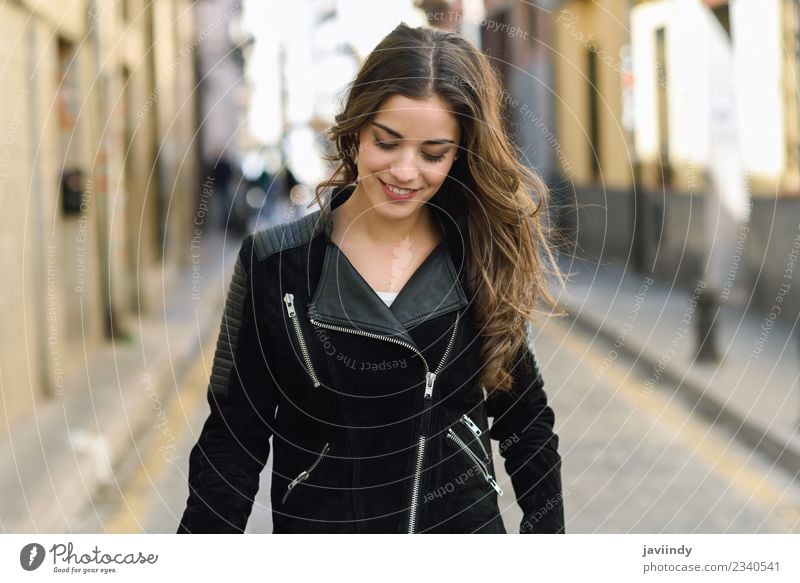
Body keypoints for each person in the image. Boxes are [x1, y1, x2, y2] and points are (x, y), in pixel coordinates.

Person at [178, 22, 565, 534]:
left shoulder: (482, 255)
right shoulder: (273, 263)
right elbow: (232, 441)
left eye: (434, 153)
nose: (406, 171)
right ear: (356, 131)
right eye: (387, 143)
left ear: (460, 154)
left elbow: (527, 424)